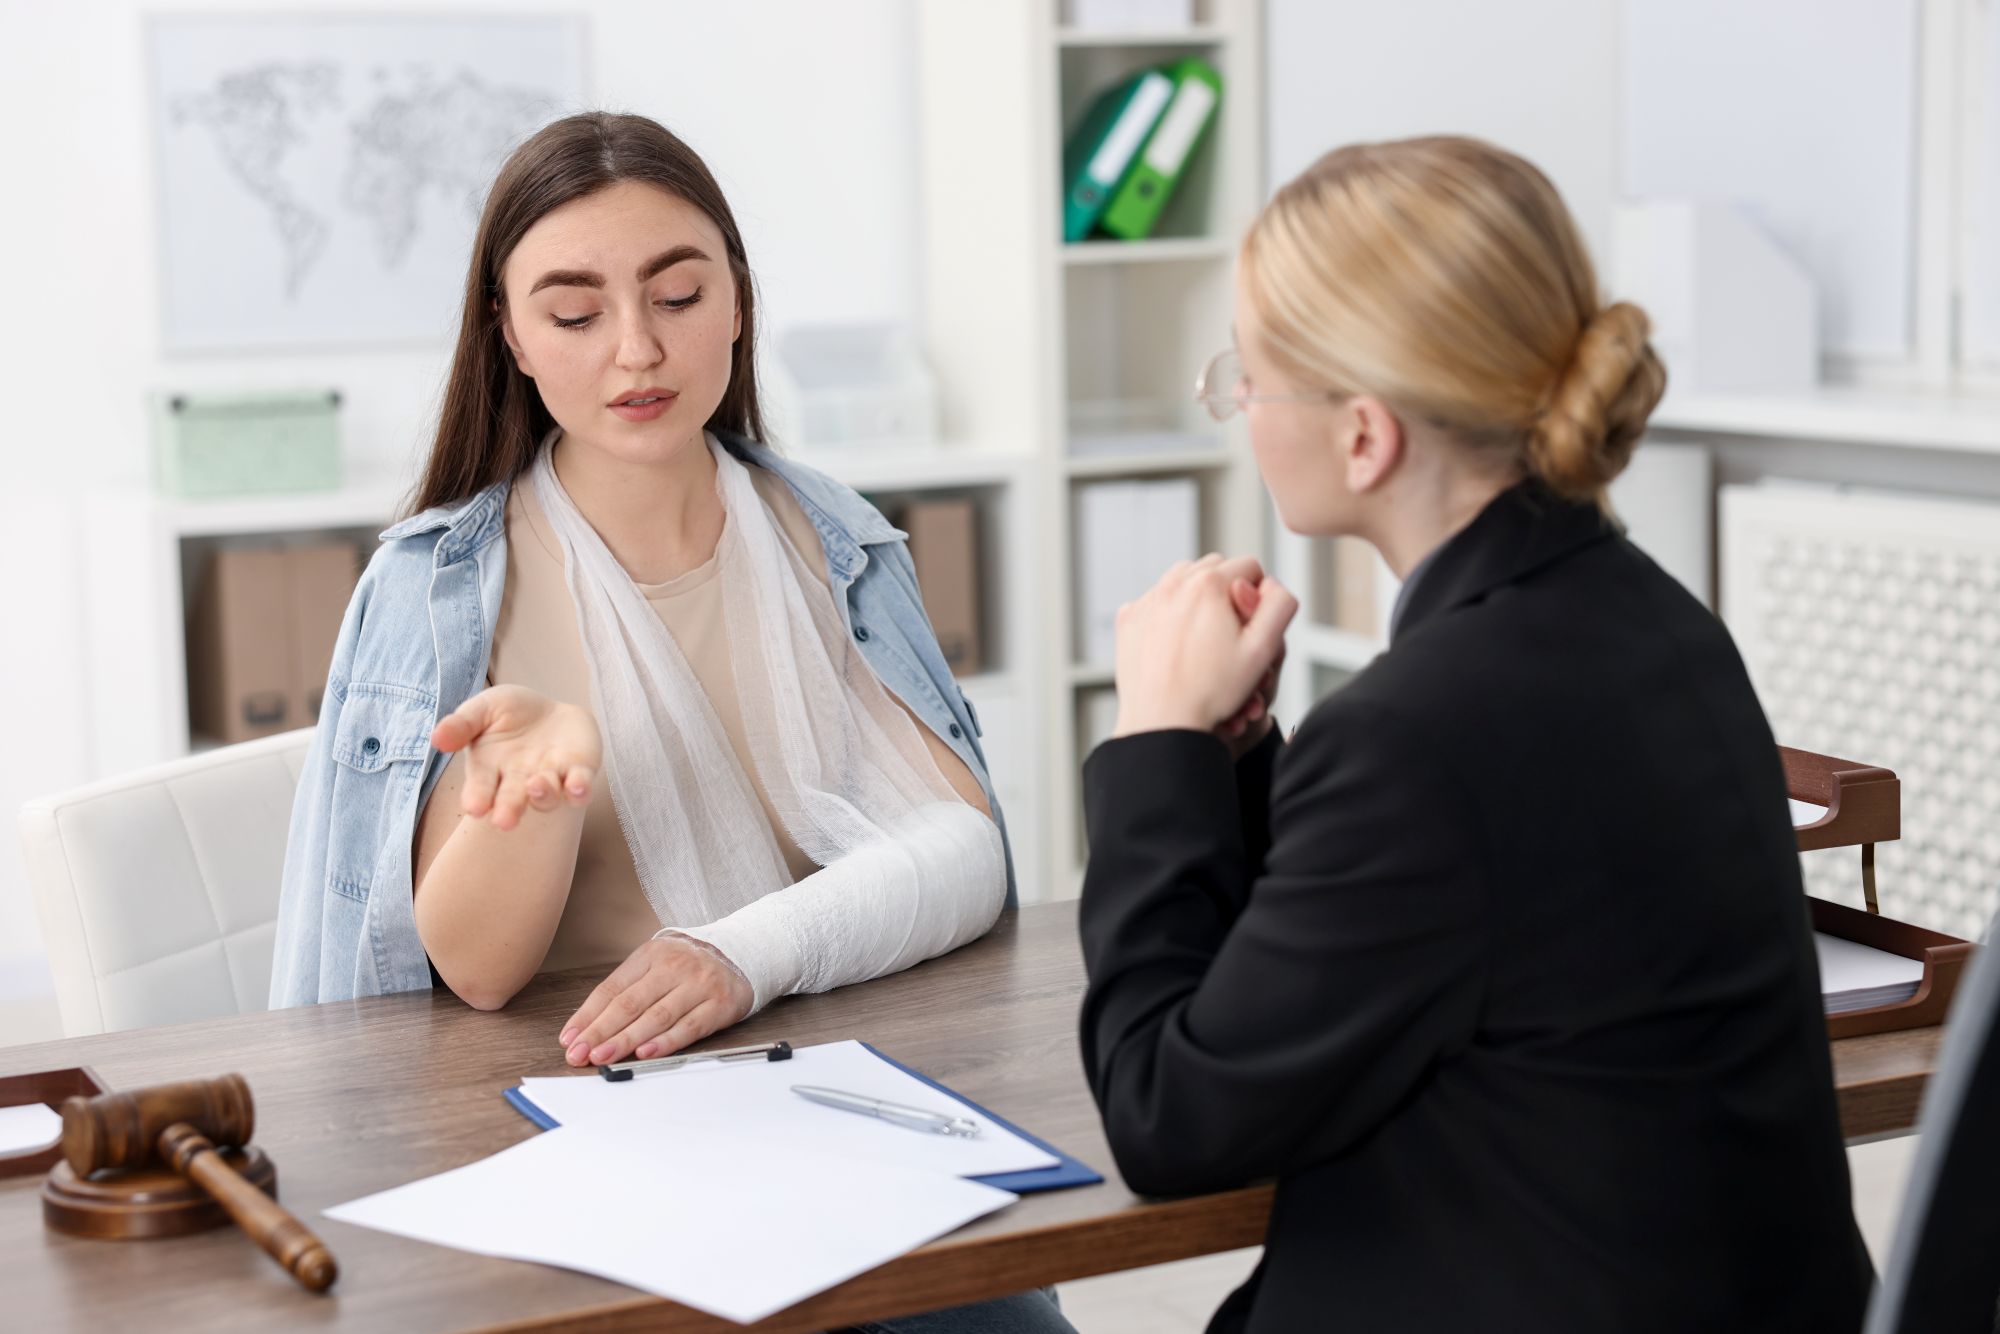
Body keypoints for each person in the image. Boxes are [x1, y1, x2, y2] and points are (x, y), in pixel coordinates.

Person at [1077, 136, 1873, 1333]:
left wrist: (1150, 740)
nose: (1235, 404)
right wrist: (1233, 754)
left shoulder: (1417, 732)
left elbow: (1168, 1117)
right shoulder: (1660, 626)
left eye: (1247, 375)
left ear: (1361, 434)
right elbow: (1376, 947)